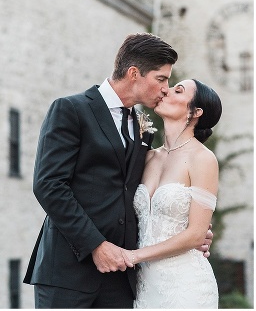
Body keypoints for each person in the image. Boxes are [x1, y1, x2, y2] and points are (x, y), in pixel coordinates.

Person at [24, 33, 212, 308]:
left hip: (123, 280)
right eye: (161, 79)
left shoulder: (142, 126)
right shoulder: (71, 110)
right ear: (134, 73)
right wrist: (96, 246)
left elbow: (144, 191)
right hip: (67, 274)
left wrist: (194, 230)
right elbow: (49, 185)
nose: (165, 88)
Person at [125, 78, 221, 308]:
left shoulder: (203, 158)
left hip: (186, 286)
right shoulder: (147, 156)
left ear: (196, 111)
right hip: (143, 286)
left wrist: (134, 256)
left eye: (178, 90)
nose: (166, 91)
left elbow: (197, 234)